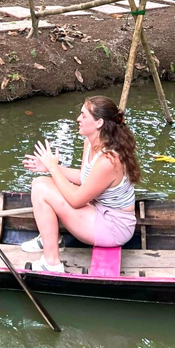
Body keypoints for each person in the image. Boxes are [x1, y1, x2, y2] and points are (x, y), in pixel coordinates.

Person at [21, 96, 140, 273]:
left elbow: (76, 200)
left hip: (114, 227)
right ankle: (52, 239)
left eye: (83, 115)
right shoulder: (90, 143)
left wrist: (53, 167)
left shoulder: (109, 160)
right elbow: (85, 178)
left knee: (41, 190)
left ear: (99, 123)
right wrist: (50, 168)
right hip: (99, 209)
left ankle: (52, 263)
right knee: (40, 181)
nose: (78, 119)